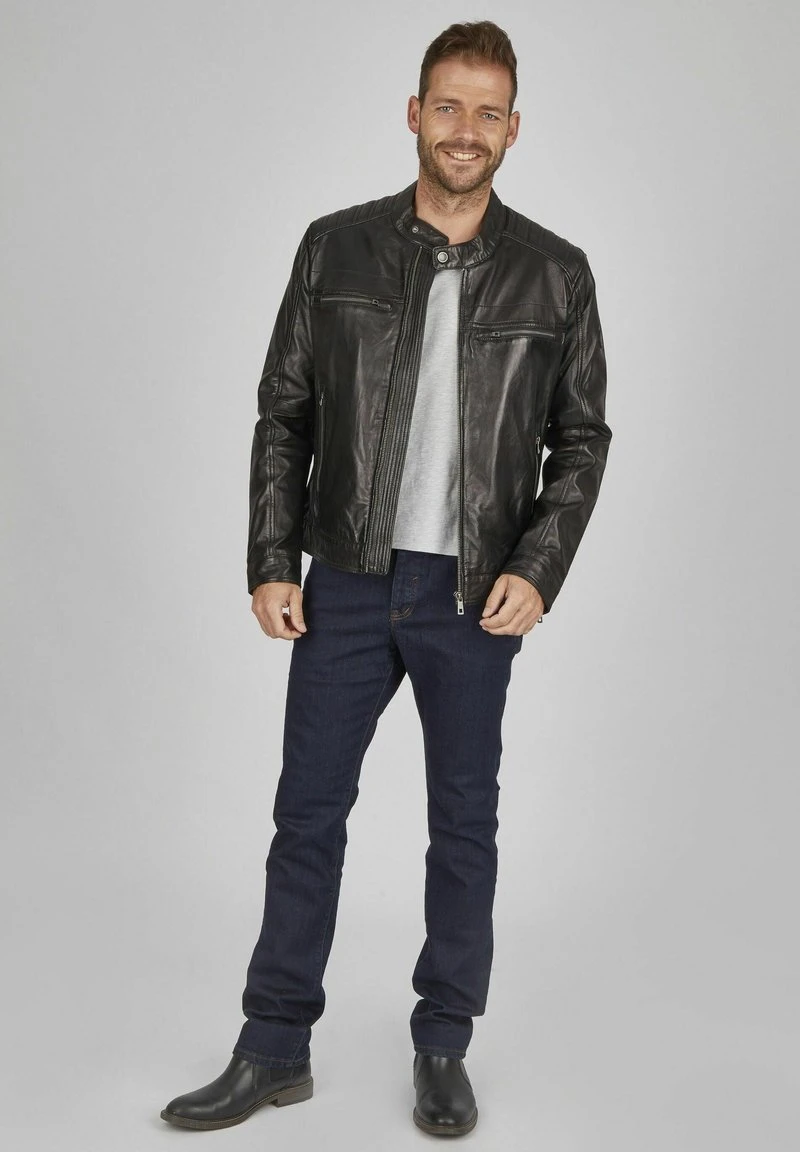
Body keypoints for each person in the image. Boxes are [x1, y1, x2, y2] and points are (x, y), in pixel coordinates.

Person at [161, 18, 612, 1138]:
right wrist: (272, 560)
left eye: (488, 112)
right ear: (414, 113)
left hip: (475, 594)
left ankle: (443, 1045)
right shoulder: (336, 249)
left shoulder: (555, 273)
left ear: (514, 128)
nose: (466, 130)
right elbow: (284, 413)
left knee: (463, 826)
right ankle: (273, 1046)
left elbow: (580, 440)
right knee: (306, 815)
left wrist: (537, 568)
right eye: (447, 106)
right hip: (349, 582)